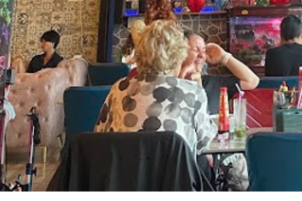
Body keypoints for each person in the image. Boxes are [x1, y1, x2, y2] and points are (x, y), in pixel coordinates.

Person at [95, 19, 247, 189]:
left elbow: (101, 134)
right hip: (176, 185)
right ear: (178, 56)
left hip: (126, 185)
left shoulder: (119, 88)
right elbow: (206, 142)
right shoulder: (191, 91)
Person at [181, 32, 260, 92]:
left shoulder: (213, 83)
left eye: (204, 50)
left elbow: (252, 81)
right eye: (196, 50)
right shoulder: (170, 83)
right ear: (180, 53)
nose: (202, 55)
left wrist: (224, 57)